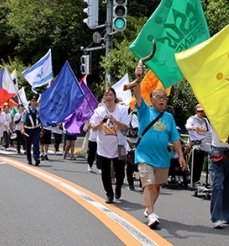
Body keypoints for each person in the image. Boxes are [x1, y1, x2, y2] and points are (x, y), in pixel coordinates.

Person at [133, 64, 186, 228]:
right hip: (144, 155)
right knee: (148, 184)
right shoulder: (144, 111)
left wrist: (181, 156)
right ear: (151, 99)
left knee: (156, 187)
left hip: (162, 157)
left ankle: (149, 209)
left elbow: (175, 138)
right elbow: (137, 93)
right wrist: (138, 78)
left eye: (164, 98)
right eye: (158, 97)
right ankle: (151, 214)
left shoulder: (169, 117)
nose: (162, 100)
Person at [90, 87, 129, 203]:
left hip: (119, 146)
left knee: (120, 172)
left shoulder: (122, 109)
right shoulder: (99, 111)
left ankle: (118, 187)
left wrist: (115, 121)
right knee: (105, 172)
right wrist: (102, 122)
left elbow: (125, 127)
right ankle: (109, 193)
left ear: (114, 97)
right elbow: (94, 128)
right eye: (106, 95)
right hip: (103, 146)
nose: (108, 97)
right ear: (103, 97)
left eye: (110, 95)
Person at [209, 126, 229, 229]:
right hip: (217, 150)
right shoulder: (217, 114)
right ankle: (216, 218)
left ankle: (226, 216)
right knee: (218, 185)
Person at [185, 104, 211, 187]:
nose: (201, 113)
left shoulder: (205, 121)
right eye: (199, 111)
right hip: (195, 143)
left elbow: (210, 130)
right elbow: (187, 126)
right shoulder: (192, 119)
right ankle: (193, 180)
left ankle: (197, 180)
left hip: (204, 143)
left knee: (201, 162)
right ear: (196, 111)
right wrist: (193, 127)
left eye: (203, 111)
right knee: (195, 161)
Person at [21, 95, 42, 166]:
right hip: (28, 130)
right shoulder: (26, 110)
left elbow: (41, 120)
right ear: (30, 102)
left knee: (36, 143)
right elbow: (22, 121)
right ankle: (29, 159)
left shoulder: (38, 110)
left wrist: (42, 129)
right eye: (32, 101)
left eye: (35, 101)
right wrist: (22, 129)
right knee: (28, 145)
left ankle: (36, 158)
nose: (34, 102)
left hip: (36, 129)